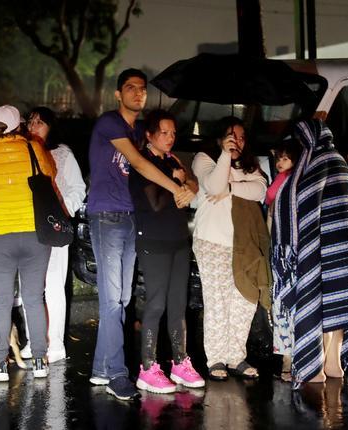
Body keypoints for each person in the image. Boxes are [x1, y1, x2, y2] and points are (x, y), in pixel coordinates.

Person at [87, 68, 195, 401]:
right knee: (112, 300)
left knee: (121, 299)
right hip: (106, 216)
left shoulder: (139, 131)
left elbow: (171, 163)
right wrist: (177, 188)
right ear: (118, 94)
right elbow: (136, 162)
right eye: (130, 87)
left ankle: (101, 368)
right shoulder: (110, 122)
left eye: (142, 88)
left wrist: (186, 183)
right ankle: (117, 374)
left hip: (132, 218)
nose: (138, 93)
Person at [270, 119, 348, 388]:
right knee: (338, 307)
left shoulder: (317, 163)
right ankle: (333, 363)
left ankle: (315, 367)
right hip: (347, 251)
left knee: (321, 306)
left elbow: (302, 202)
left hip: (324, 250)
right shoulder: (339, 161)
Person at [0, 105, 54, 382]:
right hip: (34, 233)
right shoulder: (34, 148)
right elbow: (48, 175)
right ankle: (40, 361)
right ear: (19, 126)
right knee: (34, 298)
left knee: (2, 301)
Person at [128, 109, 204, 394]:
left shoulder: (172, 160)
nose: (170, 137)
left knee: (178, 305)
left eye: (173, 133)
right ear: (149, 135)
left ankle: (180, 362)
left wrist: (186, 184)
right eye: (164, 133)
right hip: (153, 242)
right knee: (156, 304)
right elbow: (157, 204)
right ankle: (148, 368)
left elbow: (190, 186)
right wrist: (176, 182)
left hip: (178, 241)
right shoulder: (143, 163)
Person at [191, 116, 267, 381]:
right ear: (220, 138)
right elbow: (214, 185)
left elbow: (259, 191)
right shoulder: (204, 159)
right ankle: (216, 358)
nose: (237, 142)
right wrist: (225, 155)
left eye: (242, 138)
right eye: (232, 136)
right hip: (212, 241)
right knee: (217, 301)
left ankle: (236, 356)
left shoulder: (250, 166)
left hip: (243, 245)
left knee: (245, 301)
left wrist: (231, 188)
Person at [19, 106, 86, 363]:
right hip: (27, 227)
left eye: (40, 122)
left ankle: (55, 344)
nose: (33, 126)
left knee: (54, 286)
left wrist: (60, 212)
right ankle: (34, 340)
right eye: (31, 121)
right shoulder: (20, 151)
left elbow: (78, 189)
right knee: (30, 287)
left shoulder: (61, 153)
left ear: (51, 127)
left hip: (53, 228)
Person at [265, 137, 303, 382]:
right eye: (278, 158)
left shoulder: (289, 180)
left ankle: (289, 362)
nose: (280, 163)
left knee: (285, 305)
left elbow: (269, 196)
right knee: (289, 305)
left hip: (287, 249)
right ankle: (291, 361)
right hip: (287, 248)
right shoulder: (294, 179)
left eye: (285, 158)